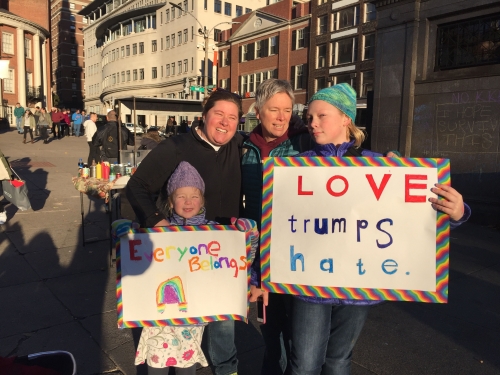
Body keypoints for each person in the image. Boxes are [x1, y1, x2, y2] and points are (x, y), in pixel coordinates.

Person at [287, 83, 471, 375]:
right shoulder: (296, 168)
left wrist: (458, 211)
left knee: (338, 361)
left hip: (359, 284)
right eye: (309, 118)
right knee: (304, 364)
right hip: (310, 284)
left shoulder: (377, 165)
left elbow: (416, 212)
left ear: (346, 118)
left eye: (321, 115)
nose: (313, 124)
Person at [127, 90, 244, 375]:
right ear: (205, 115)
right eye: (219, 114)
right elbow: (136, 186)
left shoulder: (240, 145)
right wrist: (158, 222)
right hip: (182, 259)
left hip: (222, 260)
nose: (225, 123)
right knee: (177, 327)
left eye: (233, 117)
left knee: (224, 331)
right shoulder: (176, 146)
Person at [241, 79, 313, 375]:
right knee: (271, 335)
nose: (282, 116)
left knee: (301, 340)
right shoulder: (245, 147)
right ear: (258, 111)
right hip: (264, 257)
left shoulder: (305, 142)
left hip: (301, 255)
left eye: (287, 109)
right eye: (274, 110)